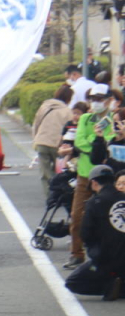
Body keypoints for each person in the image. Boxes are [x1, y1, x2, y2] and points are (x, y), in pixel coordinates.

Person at [69, 86, 118, 268]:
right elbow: (79, 141)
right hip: (86, 175)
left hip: (108, 177)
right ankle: (76, 253)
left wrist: (97, 142)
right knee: (77, 215)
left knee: (111, 216)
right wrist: (95, 142)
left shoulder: (114, 118)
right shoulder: (84, 118)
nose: (96, 102)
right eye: (92, 98)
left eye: (99, 98)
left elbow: (111, 140)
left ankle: (109, 254)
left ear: (107, 99)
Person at [66, 164, 125, 301]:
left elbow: (86, 233)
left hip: (105, 259)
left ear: (93, 182)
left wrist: (94, 253)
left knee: (73, 282)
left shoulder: (94, 202)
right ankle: (120, 283)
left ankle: (112, 286)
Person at [33, 85, 75, 198]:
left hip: (41, 142)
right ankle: (59, 195)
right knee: (59, 171)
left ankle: (50, 196)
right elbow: (70, 130)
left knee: (45, 172)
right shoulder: (67, 111)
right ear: (68, 98)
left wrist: (36, 139)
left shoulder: (45, 106)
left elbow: (36, 123)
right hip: (57, 144)